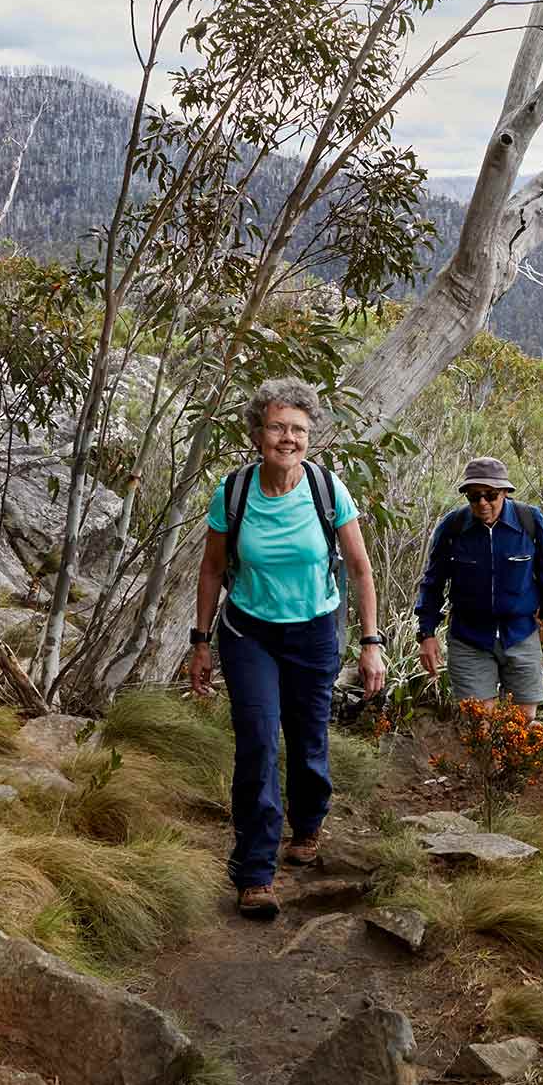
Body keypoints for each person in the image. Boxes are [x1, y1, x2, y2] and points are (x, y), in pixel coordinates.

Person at [188, 377, 386, 921]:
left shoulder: (327, 490)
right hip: (249, 633)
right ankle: (255, 872)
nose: (288, 437)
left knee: (306, 737)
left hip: (315, 632)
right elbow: (210, 570)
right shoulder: (233, 492)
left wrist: (371, 643)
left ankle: (309, 821)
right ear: (257, 433)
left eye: (298, 429)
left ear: (309, 436)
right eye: (277, 426)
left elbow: (361, 569)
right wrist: (200, 642)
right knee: (257, 743)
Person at [414, 456, 543, 720]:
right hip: (469, 637)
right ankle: (481, 763)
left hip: (520, 633)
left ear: (505, 492)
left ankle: (510, 763)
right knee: (478, 721)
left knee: (523, 720)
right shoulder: (453, 527)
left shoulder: (529, 521)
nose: (483, 503)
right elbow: (432, 582)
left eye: (490, 495)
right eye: (474, 497)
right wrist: (426, 634)